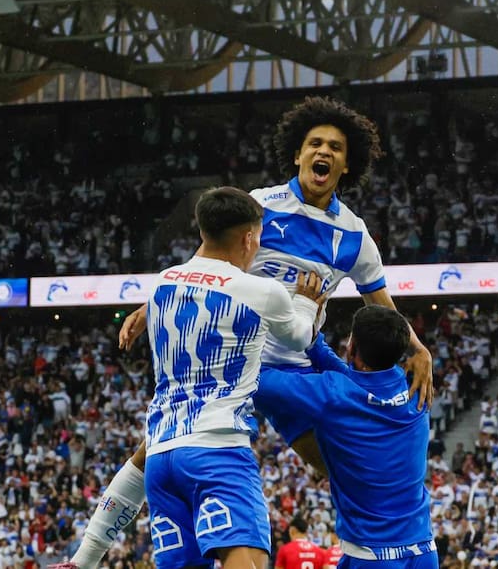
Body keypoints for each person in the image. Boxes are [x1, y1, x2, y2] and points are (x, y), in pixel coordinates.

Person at [54, 97, 434, 569]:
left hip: (294, 370)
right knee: (154, 448)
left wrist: (418, 349)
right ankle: (86, 556)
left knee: (343, 471)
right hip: (237, 360)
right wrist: (147, 306)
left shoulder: (354, 235)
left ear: (346, 162)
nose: (324, 151)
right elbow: (204, 262)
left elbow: (381, 304)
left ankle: (379, 552)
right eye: (314, 143)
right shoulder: (261, 206)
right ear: (297, 154)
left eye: (335, 146)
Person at [141, 187, 324, 569]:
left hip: (160, 455)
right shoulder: (260, 290)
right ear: (249, 237)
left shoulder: (161, 282)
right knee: (251, 562)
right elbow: (300, 337)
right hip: (216, 449)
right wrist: (306, 302)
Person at [254, 306, 436, 569]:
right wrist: (312, 341)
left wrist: (298, 316)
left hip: (372, 556)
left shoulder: (332, 394)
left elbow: (256, 380)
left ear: (352, 349)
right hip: (423, 550)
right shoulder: (415, 384)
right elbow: (356, 379)